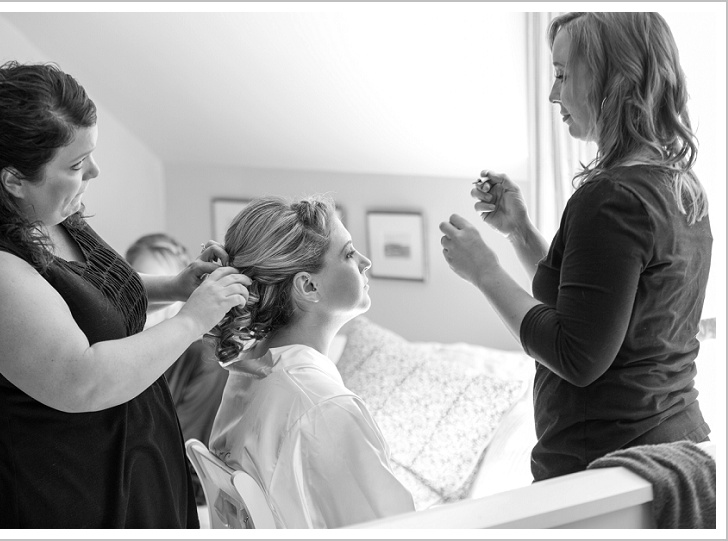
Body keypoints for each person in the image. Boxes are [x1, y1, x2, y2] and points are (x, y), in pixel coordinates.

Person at [0, 61, 251, 528]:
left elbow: (79, 297)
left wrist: (177, 285)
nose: (96, 172)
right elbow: (82, 380)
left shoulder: (48, 212)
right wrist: (192, 319)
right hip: (52, 499)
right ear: (13, 179)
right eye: (78, 164)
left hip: (128, 473)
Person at [439, 12, 712, 483]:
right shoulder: (679, 184)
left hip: (609, 468)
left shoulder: (611, 197)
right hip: (672, 444)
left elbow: (577, 355)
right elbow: (592, 303)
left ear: (614, 76)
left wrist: (483, 270)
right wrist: (520, 232)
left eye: (563, 74)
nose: (553, 94)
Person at [206, 195, 415, 528]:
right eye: (348, 253)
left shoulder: (246, 374)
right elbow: (395, 530)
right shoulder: (324, 406)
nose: (366, 261)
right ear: (308, 285)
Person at [125, 233, 230, 504]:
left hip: (175, 487)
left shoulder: (203, 358)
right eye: (147, 287)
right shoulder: (114, 350)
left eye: (165, 288)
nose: (152, 305)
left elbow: (183, 449)